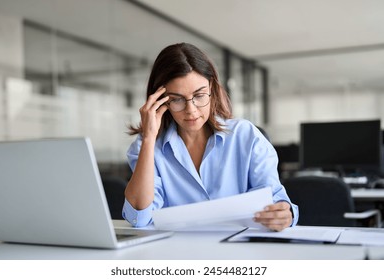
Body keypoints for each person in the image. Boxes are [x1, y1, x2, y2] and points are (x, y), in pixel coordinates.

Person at [123, 42, 299, 231]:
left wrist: (284, 213)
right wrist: (149, 138)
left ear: (212, 90)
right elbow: (139, 217)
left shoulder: (245, 136)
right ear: (159, 101)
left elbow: (275, 198)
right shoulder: (146, 147)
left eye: (199, 96)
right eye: (176, 99)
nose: (191, 110)